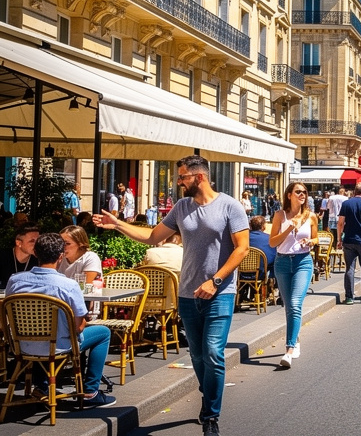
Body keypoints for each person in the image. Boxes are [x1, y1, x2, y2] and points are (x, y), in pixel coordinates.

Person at [93, 155, 249, 436]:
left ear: (199, 177)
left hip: (220, 292)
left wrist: (215, 281)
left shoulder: (230, 206)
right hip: (187, 293)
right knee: (198, 356)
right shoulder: (181, 207)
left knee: (213, 353)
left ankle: (211, 416)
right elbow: (152, 236)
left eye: (182, 177)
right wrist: (117, 224)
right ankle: (208, 392)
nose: (179, 182)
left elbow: (242, 249)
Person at [6, 233, 117, 407]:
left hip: (23, 345)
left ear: (36, 253)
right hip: (57, 346)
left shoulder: (15, 280)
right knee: (103, 333)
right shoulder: (69, 285)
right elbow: (79, 327)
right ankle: (90, 391)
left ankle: (43, 386)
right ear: (60, 256)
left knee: (49, 335)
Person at [269, 182, 315, 369]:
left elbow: (316, 238)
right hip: (282, 262)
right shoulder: (280, 215)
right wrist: (289, 229)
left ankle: (289, 350)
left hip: (303, 262)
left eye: (304, 192)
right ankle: (295, 340)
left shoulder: (311, 216)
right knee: (289, 306)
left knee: (295, 304)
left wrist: (310, 241)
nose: (302, 194)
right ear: (289, 195)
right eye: (298, 192)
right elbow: (272, 242)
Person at [337, 182, 361, 305]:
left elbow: (340, 223)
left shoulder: (346, 204)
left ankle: (349, 297)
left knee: (350, 268)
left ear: (355, 191)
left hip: (349, 239)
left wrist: (339, 239)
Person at [246, 215, 276, 280]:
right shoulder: (269, 239)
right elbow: (273, 256)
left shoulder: (243, 238)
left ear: (250, 226)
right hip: (260, 273)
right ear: (263, 227)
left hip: (242, 273)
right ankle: (273, 282)